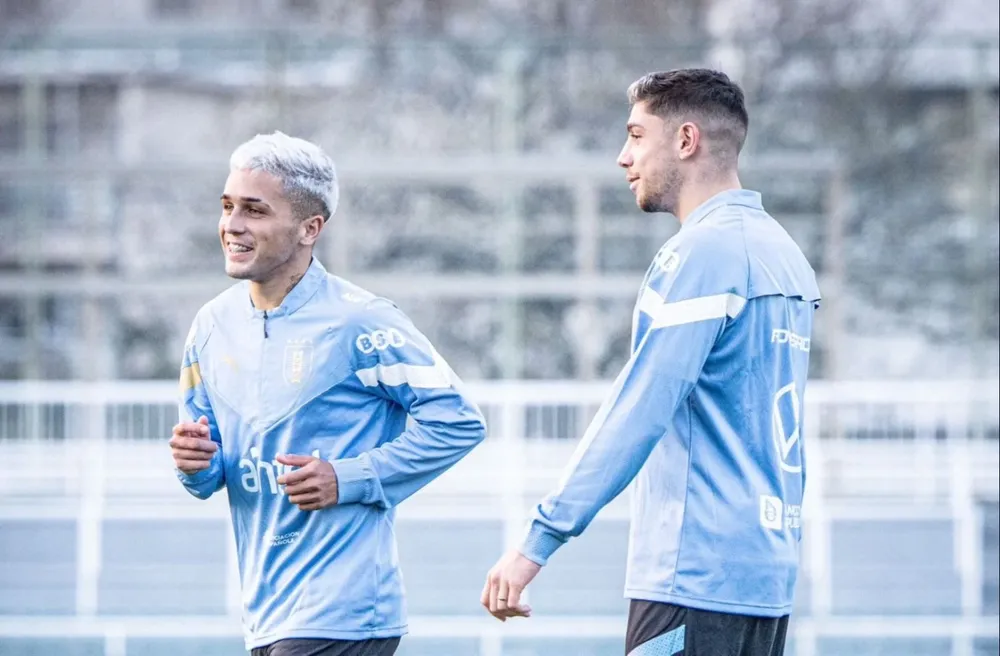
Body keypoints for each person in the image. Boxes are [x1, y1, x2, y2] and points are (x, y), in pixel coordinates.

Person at [481, 68, 821, 655]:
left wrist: (538, 539)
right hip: (766, 575)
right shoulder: (785, 255)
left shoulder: (700, 252)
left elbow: (639, 410)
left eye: (637, 135)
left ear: (685, 141)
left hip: (694, 572)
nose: (622, 156)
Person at [168, 131, 487, 656]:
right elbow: (206, 477)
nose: (233, 225)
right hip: (266, 615)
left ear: (309, 228)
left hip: (344, 612)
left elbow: (458, 421)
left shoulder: (361, 321)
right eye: (227, 207)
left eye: (254, 210)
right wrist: (192, 462)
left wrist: (348, 478)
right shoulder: (210, 327)